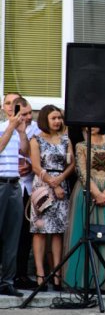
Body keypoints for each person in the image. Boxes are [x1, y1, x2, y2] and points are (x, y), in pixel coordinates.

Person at [63, 126, 105, 291]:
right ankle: (82, 280)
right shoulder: (81, 146)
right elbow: (82, 172)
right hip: (87, 192)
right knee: (84, 231)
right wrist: (97, 193)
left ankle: (104, 280)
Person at [29, 105, 74, 292]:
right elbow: (36, 166)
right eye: (54, 118)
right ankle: (40, 274)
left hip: (61, 185)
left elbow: (71, 165)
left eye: (59, 118)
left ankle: (57, 274)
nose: (58, 121)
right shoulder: (36, 139)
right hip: (43, 187)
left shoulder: (65, 139)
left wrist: (61, 180)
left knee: (58, 231)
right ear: (45, 119)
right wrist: (53, 184)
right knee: (40, 231)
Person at [0, 97, 29, 297]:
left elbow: (25, 152)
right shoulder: (2, 126)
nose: (12, 107)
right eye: (9, 103)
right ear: (3, 107)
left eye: (15, 104)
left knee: (12, 236)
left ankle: (7, 282)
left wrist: (21, 132)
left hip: (15, 184)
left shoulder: (19, 129)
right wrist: (11, 128)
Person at [12, 97, 40, 290]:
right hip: (10, 185)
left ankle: (21, 274)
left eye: (30, 113)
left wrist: (29, 164)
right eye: (25, 114)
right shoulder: (6, 127)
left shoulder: (38, 129)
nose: (29, 117)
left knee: (24, 234)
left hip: (29, 189)